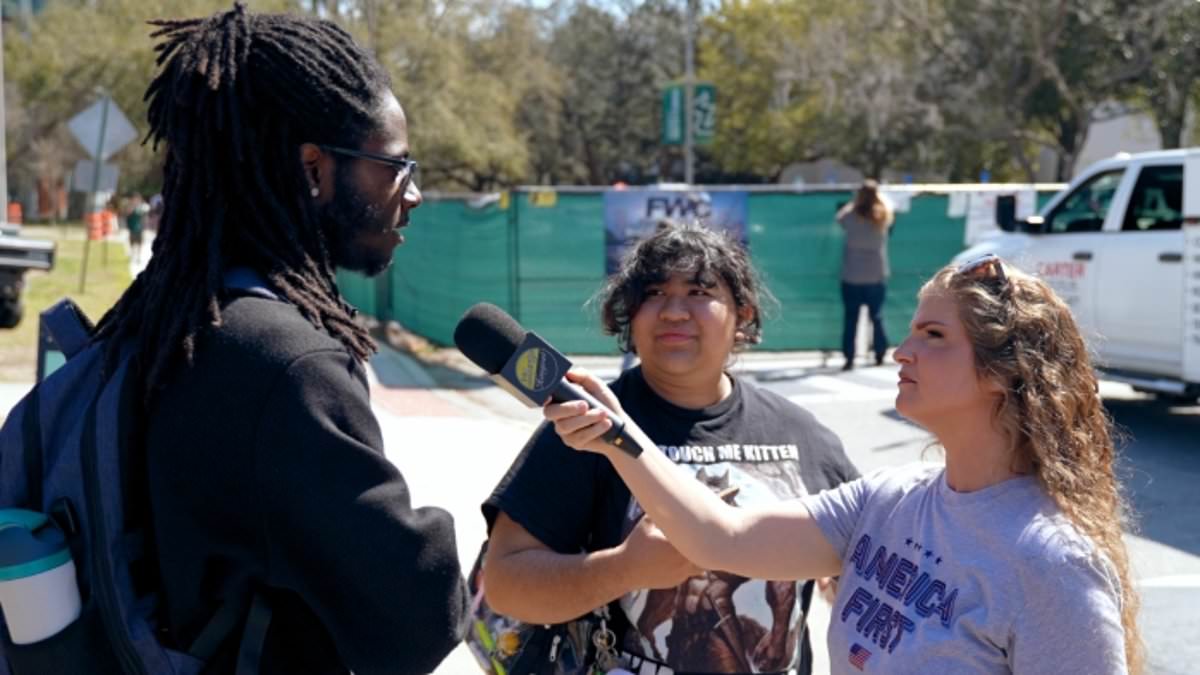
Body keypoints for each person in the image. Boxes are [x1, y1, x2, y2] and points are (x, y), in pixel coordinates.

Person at [91, 5, 467, 674]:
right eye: (396, 166)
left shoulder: (158, 320)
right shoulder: (289, 367)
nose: (412, 194)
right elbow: (417, 624)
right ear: (313, 170)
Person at [546, 254, 1143, 674]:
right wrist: (617, 434)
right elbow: (719, 537)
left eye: (933, 335)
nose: (901, 352)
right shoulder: (888, 500)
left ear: (1002, 372)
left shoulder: (1053, 563)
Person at [482, 221, 860, 675]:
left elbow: (866, 568)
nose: (674, 311)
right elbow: (503, 585)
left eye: (699, 292)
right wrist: (624, 568)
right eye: (655, 293)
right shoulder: (585, 429)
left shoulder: (802, 437)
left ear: (742, 314)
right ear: (629, 313)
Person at [836, 180, 894, 370]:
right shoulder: (882, 215)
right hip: (875, 274)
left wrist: (854, 203)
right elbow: (890, 211)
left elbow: (839, 218)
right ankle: (879, 352)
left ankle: (849, 356)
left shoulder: (851, 215)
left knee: (850, 318)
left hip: (851, 275)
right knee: (876, 316)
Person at [125, 192, 148, 265]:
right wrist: (133, 206)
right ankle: (132, 255)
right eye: (135, 199)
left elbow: (144, 217)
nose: (136, 200)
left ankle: (138, 257)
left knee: (140, 243)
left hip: (140, 228)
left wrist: (145, 225)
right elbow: (128, 213)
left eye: (138, 199)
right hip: (132, 228)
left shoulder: (142, 207)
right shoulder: (130, 206)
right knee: (132, 243)